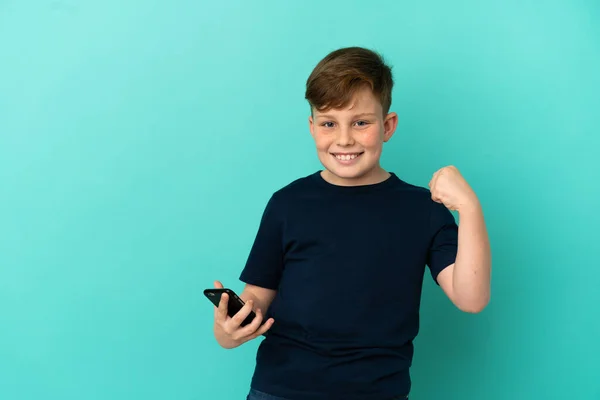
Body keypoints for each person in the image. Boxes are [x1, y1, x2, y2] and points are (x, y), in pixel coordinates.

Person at [211, 46, 491, 400]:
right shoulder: (288, 203)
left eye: (361, 122)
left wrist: (469, 208)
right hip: (281, 388)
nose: (344, 139)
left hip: (376, 391)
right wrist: (228, 330)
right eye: (329, 123)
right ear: (313, 128)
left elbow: (472, 298)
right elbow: (257, 297)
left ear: (387, 126)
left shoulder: (423, 208)